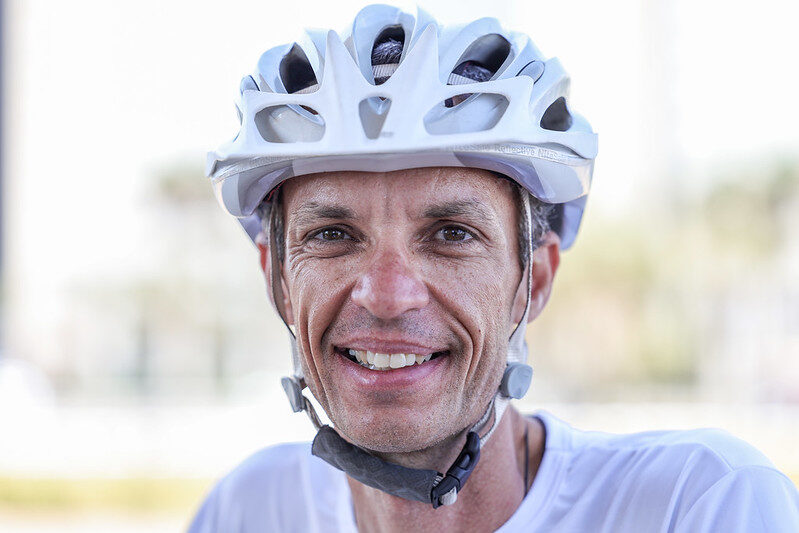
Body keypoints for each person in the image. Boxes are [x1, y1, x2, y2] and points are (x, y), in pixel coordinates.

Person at [190, 4, 799, 531]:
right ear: (276, 278)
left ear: (533, 280)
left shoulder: (699, 505)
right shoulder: (247, 510)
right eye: (332, 235)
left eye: (451, 234)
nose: (386, 294)